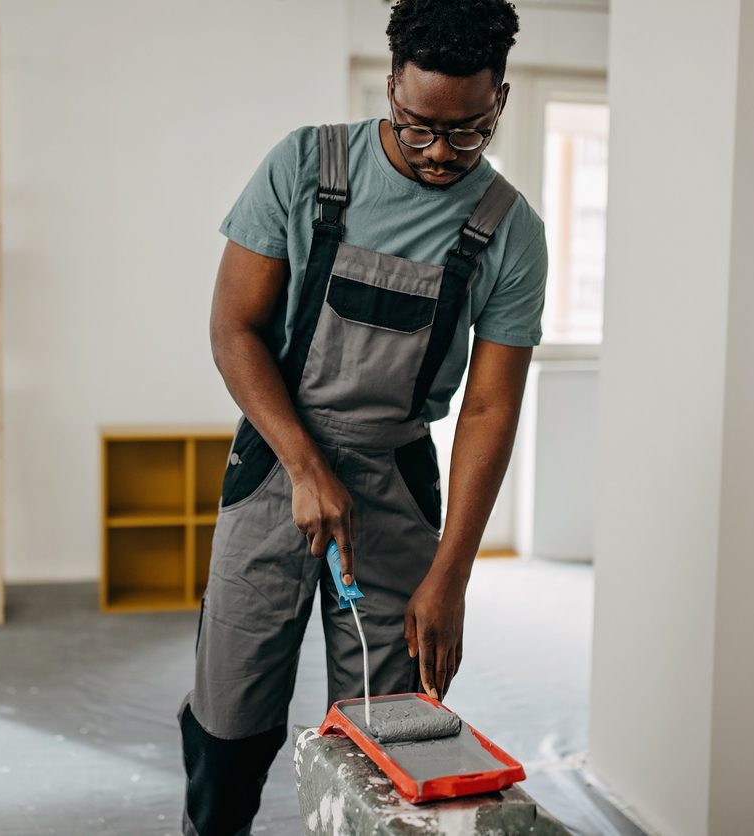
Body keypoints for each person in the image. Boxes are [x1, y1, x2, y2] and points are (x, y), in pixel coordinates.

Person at [178, 1, 547, 832]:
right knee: (228, 715)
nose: (440, 155)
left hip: (397, 481)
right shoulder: (306, 165)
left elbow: (490, 405)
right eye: (417, 128)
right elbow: (232, 329)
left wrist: (450, 575)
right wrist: (307, 469)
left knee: (393, 727)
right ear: (389, 86)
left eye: (468, 132)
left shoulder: (510, 231)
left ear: (501, 101)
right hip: (276, 463)